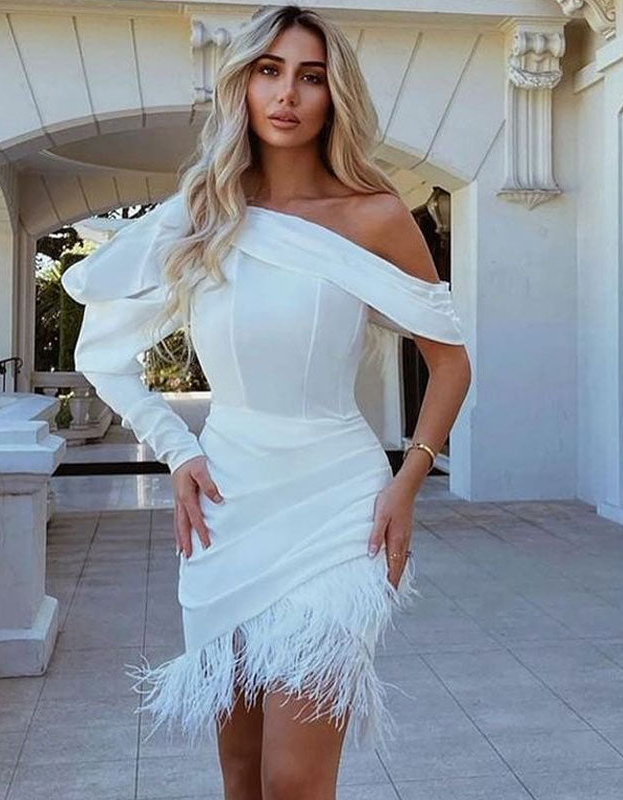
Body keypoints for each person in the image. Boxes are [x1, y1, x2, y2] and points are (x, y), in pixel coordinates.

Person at [61, 4, 471, 799]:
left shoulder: (375, 217)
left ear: (333, 96)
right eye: (269, 71)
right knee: (241, 771)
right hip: (229, 506)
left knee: (293, 779)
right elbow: (101, 353)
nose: (287, 94)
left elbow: (451, 367)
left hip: (340, 506)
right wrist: (177, 449)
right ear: (243, 86)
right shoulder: (204, 213)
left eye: (310, 77)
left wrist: (408, 480)